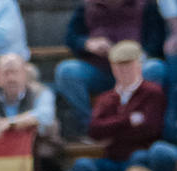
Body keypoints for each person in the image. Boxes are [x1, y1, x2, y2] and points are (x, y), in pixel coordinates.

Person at [71, 41, 166, 171]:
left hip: (139, 155)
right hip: (113, 159)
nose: (123, 71)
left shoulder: (152, 93)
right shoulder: (106, 98)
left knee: (140, 159)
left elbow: (151, 128)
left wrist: (113, 131)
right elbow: (94, 130)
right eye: (118, 66)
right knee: (82, 166)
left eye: (128, 65)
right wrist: (128, 121)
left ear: (138, 65)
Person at [54, 1, 166, 137]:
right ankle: (88, 128)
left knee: (155, 68)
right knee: (67, 71)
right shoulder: (87, 6)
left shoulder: (146, 5)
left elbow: (157, 40)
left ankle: (146, 127)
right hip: (98, 71)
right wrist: (87, 44)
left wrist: (133, 54)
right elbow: (71, 38)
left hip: (136, 69)